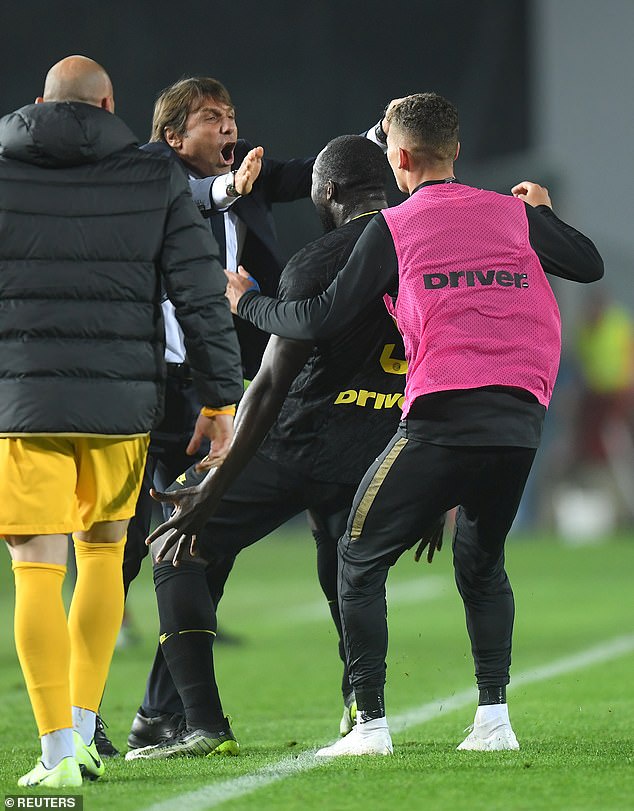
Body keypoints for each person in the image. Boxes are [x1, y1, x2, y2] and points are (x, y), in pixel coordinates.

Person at [213, 93, 604, 756]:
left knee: (358, 557)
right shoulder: (511, 214)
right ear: (456, 151)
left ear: (397, 160)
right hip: (520, 420)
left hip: (442, 417)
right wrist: (542, 212)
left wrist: (248, 301)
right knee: (481, 564)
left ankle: (368, 726)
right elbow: (588, 264)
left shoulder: (392, 228)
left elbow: (317, 320)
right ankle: (494, 720)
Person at [119, 77, 393, 752]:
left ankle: (167, 712)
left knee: (192, 543)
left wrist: (379, 137)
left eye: (232, 116)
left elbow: (320, 173)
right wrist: (223, 193)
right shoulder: (151, 178)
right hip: (154, 386)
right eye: (211, 118)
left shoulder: (251, 181)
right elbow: (184, 197)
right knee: (138, 546)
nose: (228, 128)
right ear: (172, 136)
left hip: (223, 387)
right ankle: (96, 710)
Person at [0, 55, 242, 787]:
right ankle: (79, 728)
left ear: (39, 102)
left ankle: (55, 757)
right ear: (110, 104)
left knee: (36, 569)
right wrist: (222, 398)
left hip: (25, 406)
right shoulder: (153, 175)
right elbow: (200, 293)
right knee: (102, 559)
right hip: (120, 408)